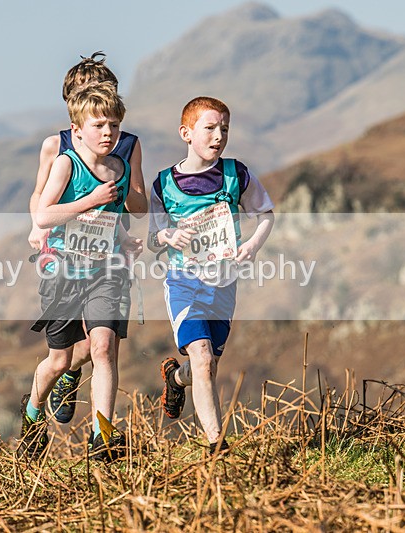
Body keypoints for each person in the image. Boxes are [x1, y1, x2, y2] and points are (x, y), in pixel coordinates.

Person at [148, 96, 275, 454]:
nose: (219, 135)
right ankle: (216, 445)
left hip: (223, 286)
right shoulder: (163, 184)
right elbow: (153, 238)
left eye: (225, 129)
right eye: (210, 128)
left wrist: (252, 246)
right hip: (184, 283)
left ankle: (176, 378)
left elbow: (265, 214)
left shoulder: (237, 175)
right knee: (202, 359)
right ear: (186, 133)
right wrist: (168, 235)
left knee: (206, 367)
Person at [28, 52, 146, 425]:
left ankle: (102, 436)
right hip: (62, 252)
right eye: (83, 94)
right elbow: (41, 196)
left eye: (101, 92)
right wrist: (37, 226)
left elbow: (136, 203)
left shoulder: (126, 146)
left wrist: (124, 223)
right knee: (63, 353)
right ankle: (45, 395)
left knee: (101, 345)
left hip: (108, 255)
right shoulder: (58, 145)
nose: (104, 127)